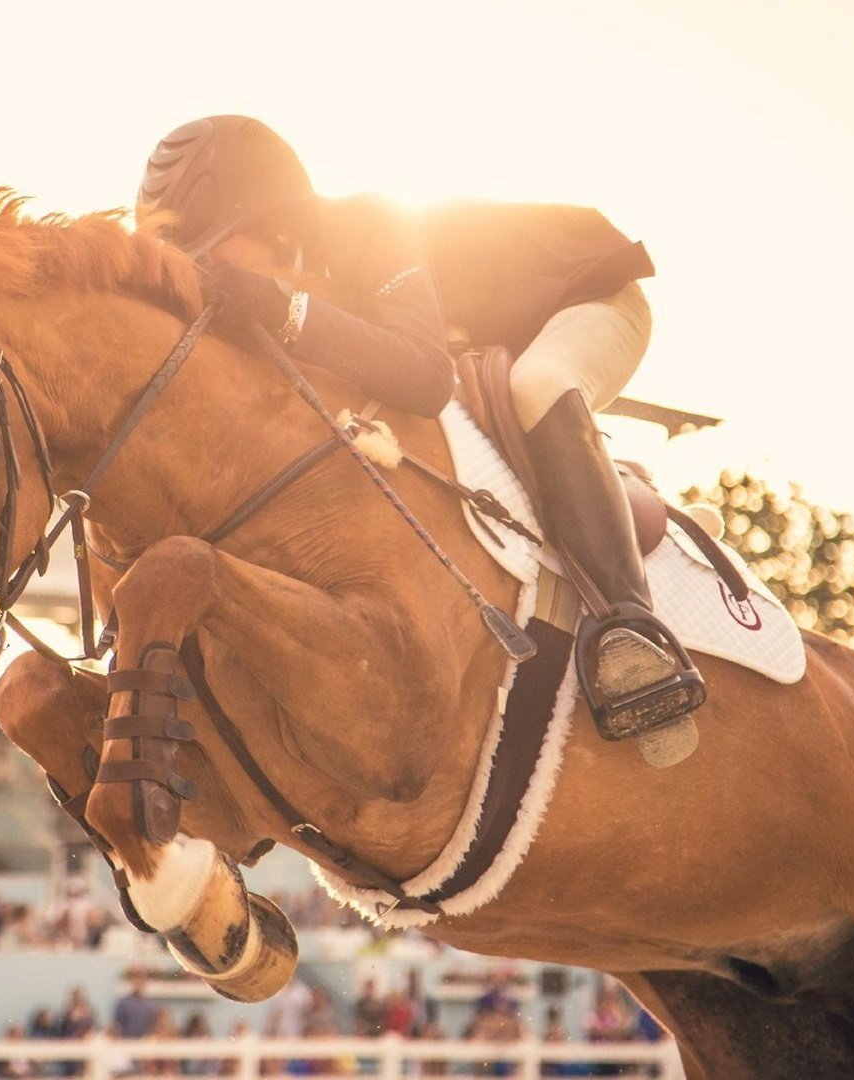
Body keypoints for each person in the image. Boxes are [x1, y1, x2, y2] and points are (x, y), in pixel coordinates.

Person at [136, 115, 705, 742]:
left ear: (272, 224)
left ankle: (632, 627)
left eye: (211, 252)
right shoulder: (298, 263)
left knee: (536, 386)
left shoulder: (371, 224)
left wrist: (277, 304)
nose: (203, 273)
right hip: (484, 333)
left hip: (593, 301)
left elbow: (426, 378)